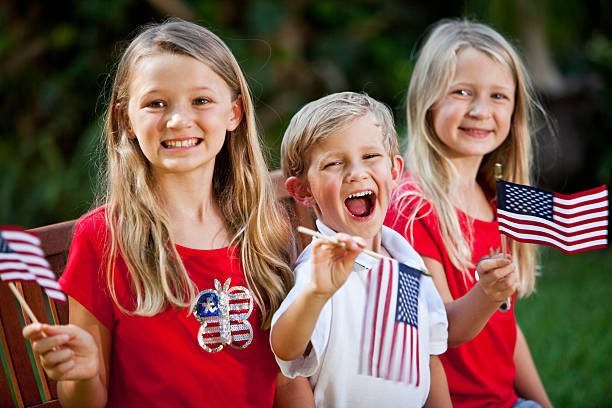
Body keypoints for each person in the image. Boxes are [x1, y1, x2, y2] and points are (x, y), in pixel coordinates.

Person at [22, 19, 313, 408]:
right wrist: (83, 373)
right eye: (156, 103)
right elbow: (84, 401)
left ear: (234, 113)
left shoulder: (264, 228)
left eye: (201, 100)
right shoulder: (104, 238)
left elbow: (288, 385)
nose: (177, 120)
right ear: (127, 120)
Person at [384, 19, 553, 408]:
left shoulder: (498, 201)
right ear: (428, 100)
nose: (480, 110)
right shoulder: (411, 208)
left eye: (498, 96)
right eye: (462, 92)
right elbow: (436, 330)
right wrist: (488, 293)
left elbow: (507, 331)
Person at [270, 91, 450, 407]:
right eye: (334, 163)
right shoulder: (320, 267)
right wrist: (316, 293)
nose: (355, 173)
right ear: (303, 191)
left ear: (394, 172)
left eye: (370, 157)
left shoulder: (404, 258)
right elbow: (287, 352)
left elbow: (427, 358)